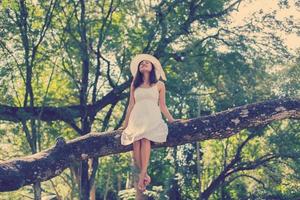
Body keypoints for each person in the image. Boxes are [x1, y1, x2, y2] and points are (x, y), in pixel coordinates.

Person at [119, 54, 179, 192]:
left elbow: (163, 106)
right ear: (138, 69)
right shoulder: (135, 85)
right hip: (136, 118)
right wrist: (125, 124)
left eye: (146, 63)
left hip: (151, 117)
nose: (143, 64)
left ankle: (142, 177)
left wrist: (172, 120)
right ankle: (144, 174)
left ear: (152, 67)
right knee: (136, 141)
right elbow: (130, 105)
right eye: (141, 63)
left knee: (145, 138)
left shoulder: (159, 85)